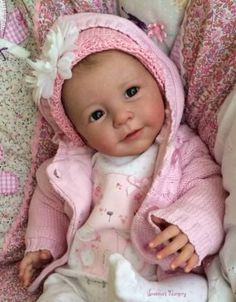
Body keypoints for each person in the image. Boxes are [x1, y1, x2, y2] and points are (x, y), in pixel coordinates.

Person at [18, 13, 225, 302]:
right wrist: (44, 245)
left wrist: (190, 227)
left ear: (159, 80)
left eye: (131, 92)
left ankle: (143, 295)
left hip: (156, 275)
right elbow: (49, 200)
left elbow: (210, 189)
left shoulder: (182, 149)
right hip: (84, 275)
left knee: (198, 290)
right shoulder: (72, 165)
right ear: (78, 132)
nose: (122, 117)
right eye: (97, 114)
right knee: (56, 292)